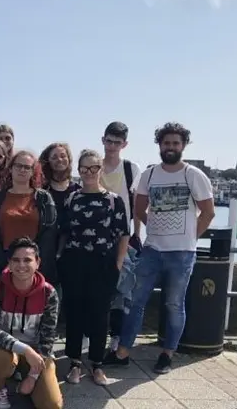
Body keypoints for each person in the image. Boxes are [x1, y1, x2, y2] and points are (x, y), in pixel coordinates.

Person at [110, 122, 215, 374]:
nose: (170, 147)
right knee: (135, 301)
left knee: (174, 304)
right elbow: (139, 209)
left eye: (175, 143)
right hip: (152, 251)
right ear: (159, 145)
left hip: (182, 254)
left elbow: (208, 213)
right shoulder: (149, 175)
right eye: (166, 143)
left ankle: (168, 354)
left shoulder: (193, 175)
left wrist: (190, 238)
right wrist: (158, 228)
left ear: (183, 146)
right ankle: (122, 352)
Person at [57, 149, 129, 386]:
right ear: (79, 171)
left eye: (94, 168)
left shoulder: (114, 200)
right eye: (84, 168)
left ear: (101, 169)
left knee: (100, 314)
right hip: (74, 262)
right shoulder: (72, 199)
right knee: (74, 313)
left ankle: (97, 364)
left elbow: (123, 234)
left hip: (103, 263)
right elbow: (64, 231)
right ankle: (75, 363)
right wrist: (60, 256)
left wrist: (118, 263)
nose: (89, 172)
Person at [0, 237, 62, 409]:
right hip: (5, 349)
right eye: (16, 260)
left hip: (36, 352)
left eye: (27, 260)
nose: (21, 265)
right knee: (0, 359)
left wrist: (32, 377)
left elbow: (48, 338)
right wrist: (25, 350)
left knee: (52, 404)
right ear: (9, 263)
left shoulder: (49, 293)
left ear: (38, 262)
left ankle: (25, 375)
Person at [0, 151, 58, 287]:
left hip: (34, 267)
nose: (22, 170)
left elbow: (49, 234)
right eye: (18, 166)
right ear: (11, 168)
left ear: (33, 171)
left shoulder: (44, 198)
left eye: (27, 167)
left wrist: (33, 263)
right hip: (1, 266)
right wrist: (7, 263)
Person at [99, 122, 142, 355]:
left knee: (123, 287)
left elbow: (136, 204)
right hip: (97, 236)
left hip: (122, 236)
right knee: (97, 287)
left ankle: (116, 336)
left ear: (124, 144)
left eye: (117, 142)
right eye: (109, 141)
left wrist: (137, 233)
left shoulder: (130, 168)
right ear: (103, 140)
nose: (112, 146)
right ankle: (92, 333)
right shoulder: (95, 165)